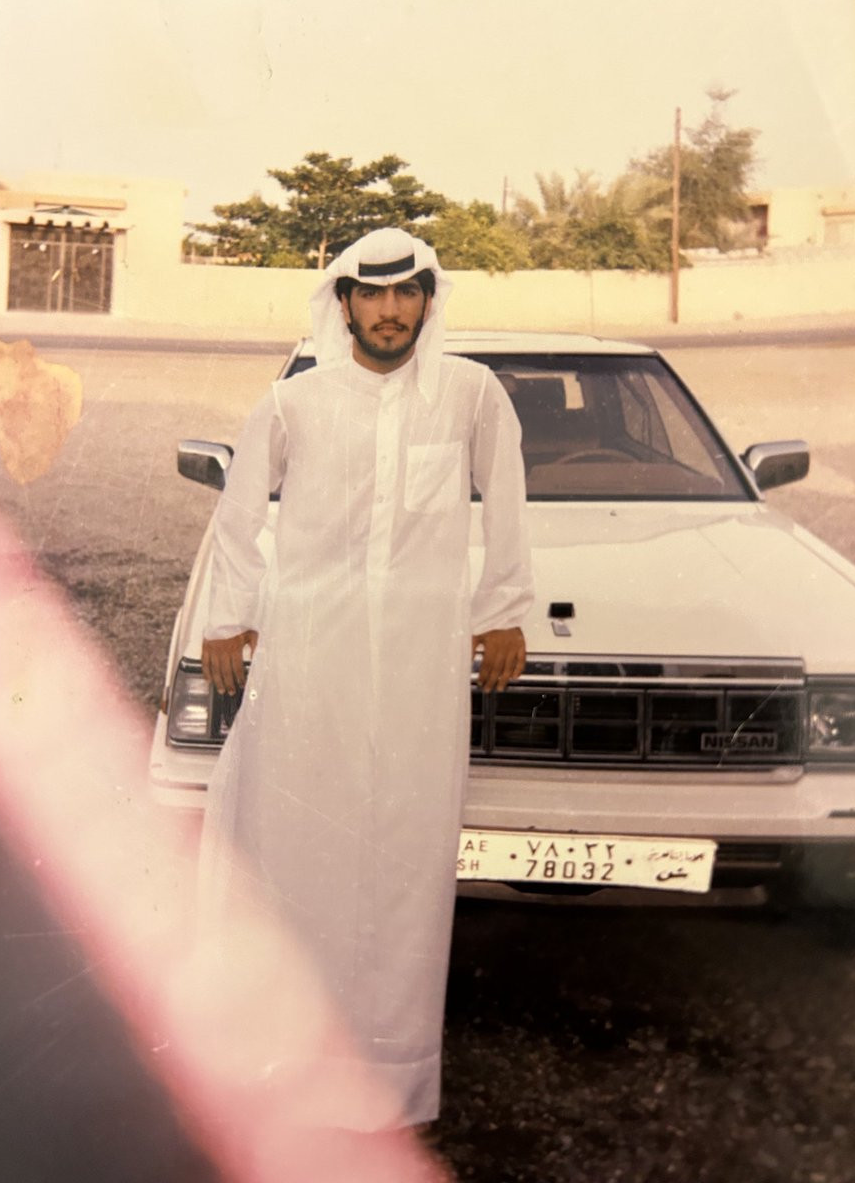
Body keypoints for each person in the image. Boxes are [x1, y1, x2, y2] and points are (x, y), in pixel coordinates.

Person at [199, 227, 533, 1130]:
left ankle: (391, 1084)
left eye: (406, 292)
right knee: (295, 845)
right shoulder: (293, 403)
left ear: (428, 299)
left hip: (423, 662)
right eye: (372, 293)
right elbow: (238, 517)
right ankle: (279, 1061)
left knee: (404, 856)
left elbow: (505, 503)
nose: (390, 310)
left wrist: (503, 608)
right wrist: (227, 618)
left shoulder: (471, 393)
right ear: (342, 303)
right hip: (312, 658)